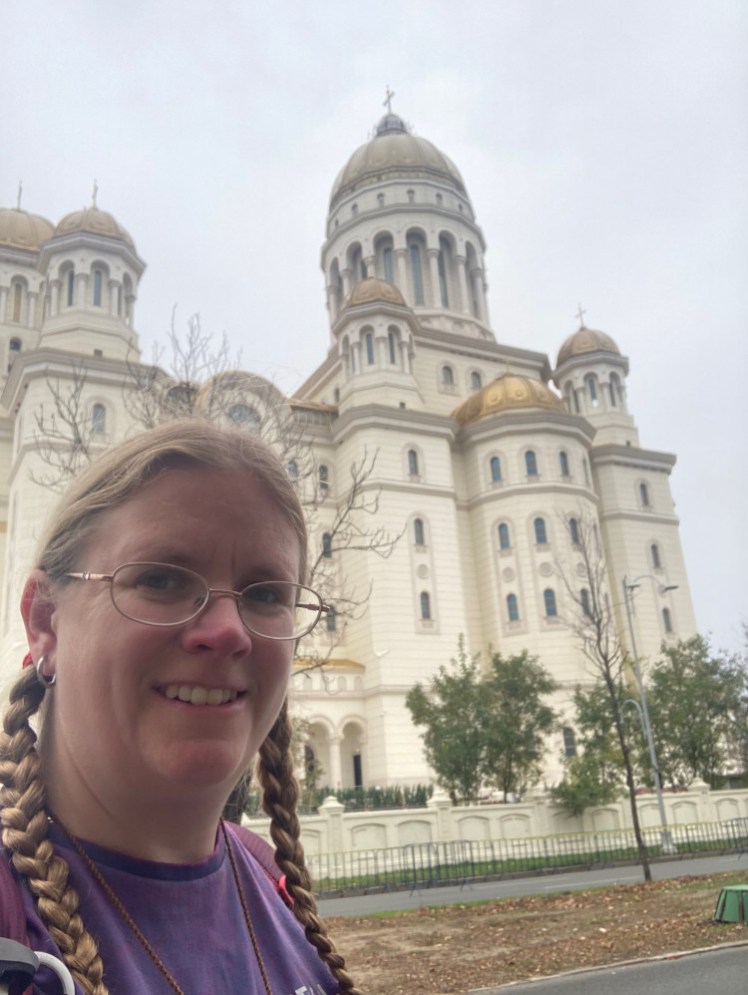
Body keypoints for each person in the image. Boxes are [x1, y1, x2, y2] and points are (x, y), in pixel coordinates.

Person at [0, 419, 361, 995]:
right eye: (162, 579)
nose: (227, 632)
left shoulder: (274, 885)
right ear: (46, 622)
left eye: (266, 594)